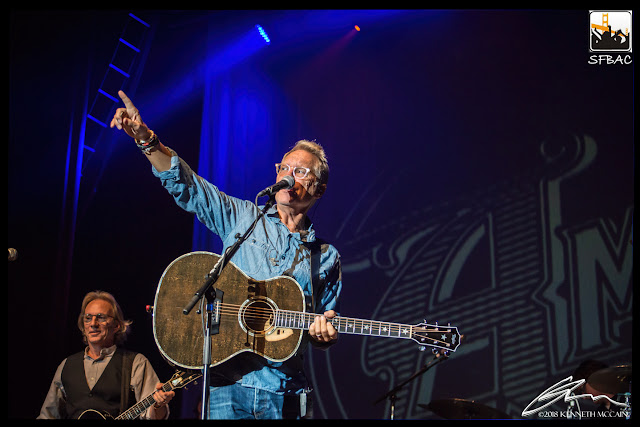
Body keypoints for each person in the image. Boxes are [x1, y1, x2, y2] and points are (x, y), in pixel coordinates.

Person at [110, 90, 342, 419]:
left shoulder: (326, 257)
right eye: (284, 167)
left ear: (319, 188)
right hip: (225, 383)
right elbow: (189, 186)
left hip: (284, 390)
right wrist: (146, 140)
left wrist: (324, 334)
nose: (289, 175)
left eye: (301, 171)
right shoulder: (243, 216)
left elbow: (321, 327)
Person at [38, 291, 175, 419]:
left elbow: (154, 416)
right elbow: (47, 415)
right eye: (88, 318)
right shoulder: (66, 365)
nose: (93, 324)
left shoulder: (135, 362)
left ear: (116, 325)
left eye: (100, 318)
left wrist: (158, 405)